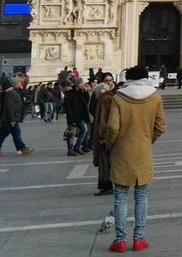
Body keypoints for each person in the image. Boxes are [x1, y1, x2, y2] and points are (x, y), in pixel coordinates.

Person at [104, 65, 165, 253]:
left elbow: (113, 127)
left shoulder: (119, 98)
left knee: (120, 196)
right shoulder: (155, 97)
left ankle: (120, 240)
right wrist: (148, 139)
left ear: (128, 78)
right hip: (143, 151)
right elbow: (161, 126)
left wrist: (109, 145)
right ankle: (139, 239)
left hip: (122, 151)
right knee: (142, 196)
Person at [0, 75, 33, 157]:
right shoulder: (11, 93)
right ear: (15, 83)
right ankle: (21, 148)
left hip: (9, 118)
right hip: (10, 118)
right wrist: (12, 119)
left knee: (3, 134)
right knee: (15, 133)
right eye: (19, 82)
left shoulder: (14, 91)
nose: (21, 83)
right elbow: (9, 106)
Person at [91, 73, 117, 196]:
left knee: (104, 162)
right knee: (107, 161)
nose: (95, 96)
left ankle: (107, 185)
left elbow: (102, 120)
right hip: (107, 135)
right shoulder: (111, 98)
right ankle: (108, 185)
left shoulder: (104, 101)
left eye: (96, 94)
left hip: (104, 137)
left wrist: (102, 136)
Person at [64, 78, 92, 155]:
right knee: (71, 133)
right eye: (81, 83)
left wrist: (86, 92)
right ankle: (70, 150)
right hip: (73, 116)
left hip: (81, 116)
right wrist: (70, 119)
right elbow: (68, 108)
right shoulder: (69, 94)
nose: (83, 85)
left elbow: (86, 101)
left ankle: (77, 147)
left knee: (84, 129)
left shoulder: (81, 92)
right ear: (77, 84)